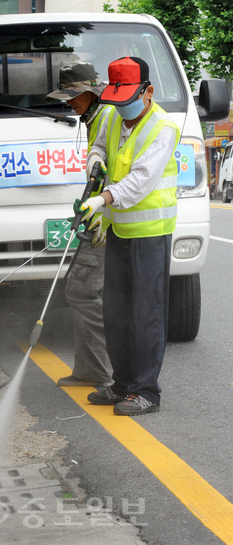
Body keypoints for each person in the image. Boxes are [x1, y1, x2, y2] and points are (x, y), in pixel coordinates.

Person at [78, 57, 180, 415]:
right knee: (116, 310)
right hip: (119, 230)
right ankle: (121, 385)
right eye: (116, 101)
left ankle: (146, 391)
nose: (122, 108)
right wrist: (94, 164)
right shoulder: (113, 118)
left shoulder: (163, 128)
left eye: (128, 100)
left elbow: (139, 182)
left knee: (145, 313)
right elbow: (100, 148)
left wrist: (101, 198)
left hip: (150, 233)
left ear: (147, 92)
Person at [45, 61, 113, 387]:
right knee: (81, 290)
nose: (68, 103)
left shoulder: (106, 120)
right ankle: (88, 370)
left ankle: (102, 373)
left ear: (90, 91)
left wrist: (97, 213)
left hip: (107, 225)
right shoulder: (94, 118)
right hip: (99, 219)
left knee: (84, 293)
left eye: (73, 95)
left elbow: (115, 179)